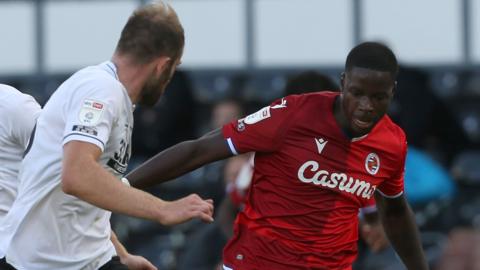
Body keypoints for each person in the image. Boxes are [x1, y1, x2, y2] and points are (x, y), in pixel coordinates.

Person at [125, 42, 429, 269]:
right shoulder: (294, 114)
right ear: (342, 83)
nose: (366, 106)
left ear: (393, 92)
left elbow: (395, 211)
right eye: (357, 93)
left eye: (378, 97)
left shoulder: (391, 143)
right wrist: (121, 187)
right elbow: (200, 150)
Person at [0, 2, 214, 269]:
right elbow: (77, 176)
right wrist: (164, 209)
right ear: (163, 65)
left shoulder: (111, 94)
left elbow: (91, 188)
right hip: (42, 264)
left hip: (90, 259)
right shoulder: (101, 90)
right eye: (175, 68)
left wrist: (122, 255)